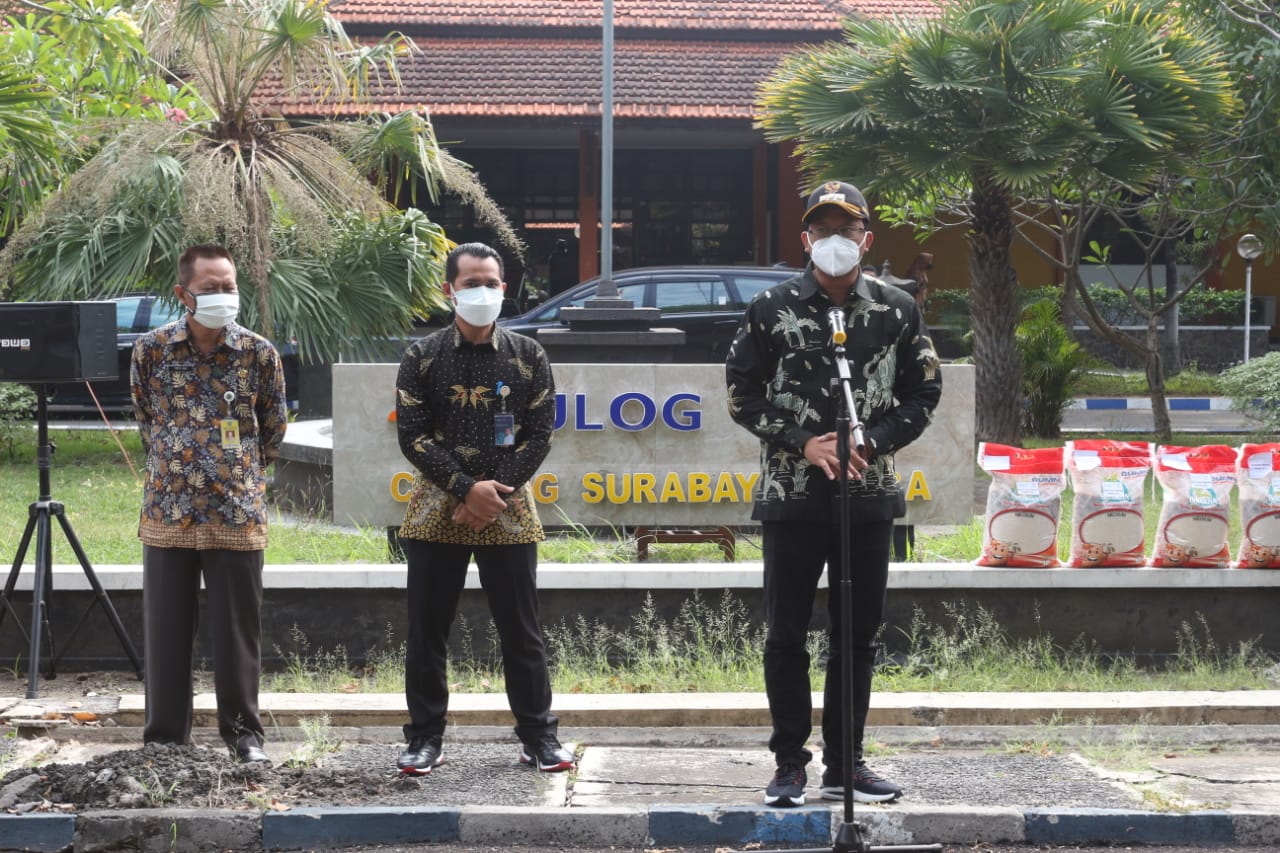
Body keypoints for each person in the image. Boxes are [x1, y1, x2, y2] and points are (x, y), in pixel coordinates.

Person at [725, 181, 942, 807]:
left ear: (865, 240)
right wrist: (802, 442)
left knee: (857, 636)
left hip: (866, 494)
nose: (834, 240)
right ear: (805, 239)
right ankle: (789, 764)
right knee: (785, 635)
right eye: (822, 230)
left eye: (846, 230)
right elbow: (741, 392)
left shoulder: (897, 309)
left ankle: (847, 764)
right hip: (792, 494)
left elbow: (923, 392)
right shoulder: (769, 308)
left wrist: (872, 440)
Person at [393, 242, 572, 775]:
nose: (482, 292)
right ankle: (425, 737)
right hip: (437, 510)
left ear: (504, 287)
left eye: (491, 283)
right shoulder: (421, 356)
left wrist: (493, 496)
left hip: (509, 511)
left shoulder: (528, 354)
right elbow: (412, 436)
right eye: (471, 283)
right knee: (427, 631)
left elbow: (540, 434)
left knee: (522, 630)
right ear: (449, 290)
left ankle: (539, 737)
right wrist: (466, 489)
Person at [131, 243, 288, 763]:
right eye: (211, 288)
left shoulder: (258, 354)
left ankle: (244, 738)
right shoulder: (151, 351)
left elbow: (273, 428)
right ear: (184, 294)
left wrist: (236, 471)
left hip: (235, 512)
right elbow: (147, 420)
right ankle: (164, 740)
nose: (223, 295)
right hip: (168, 513)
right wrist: (177, 464)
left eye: (229, 287)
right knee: (166, 633)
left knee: (237, 633)